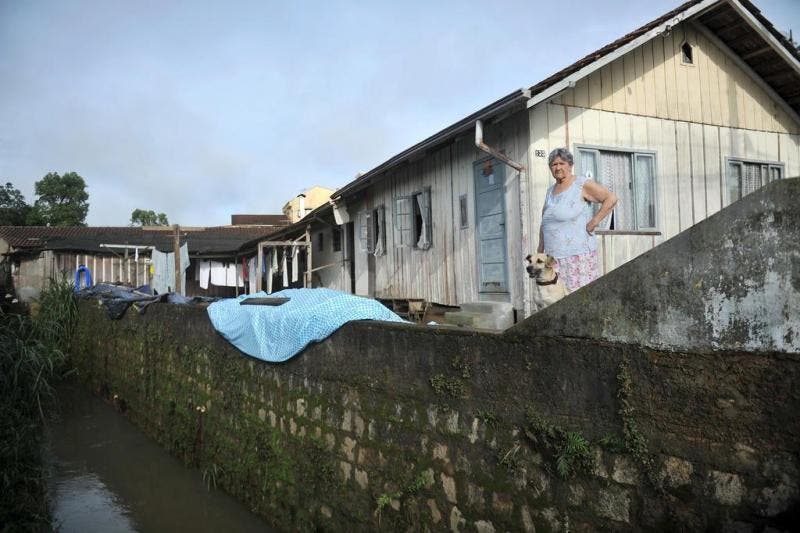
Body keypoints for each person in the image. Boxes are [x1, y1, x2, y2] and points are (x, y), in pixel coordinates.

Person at [536, 147, 617, 291]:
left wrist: (593, 222)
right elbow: (545, 223)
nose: (558, 167)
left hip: (577, 259)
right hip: (553, 259)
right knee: (557, 300)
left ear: (570, 165)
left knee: (580, 298)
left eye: (562, 163)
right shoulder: (550, 191)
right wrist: (540, 249)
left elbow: (611, 198)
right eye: (554, 164)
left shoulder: (580, 184)